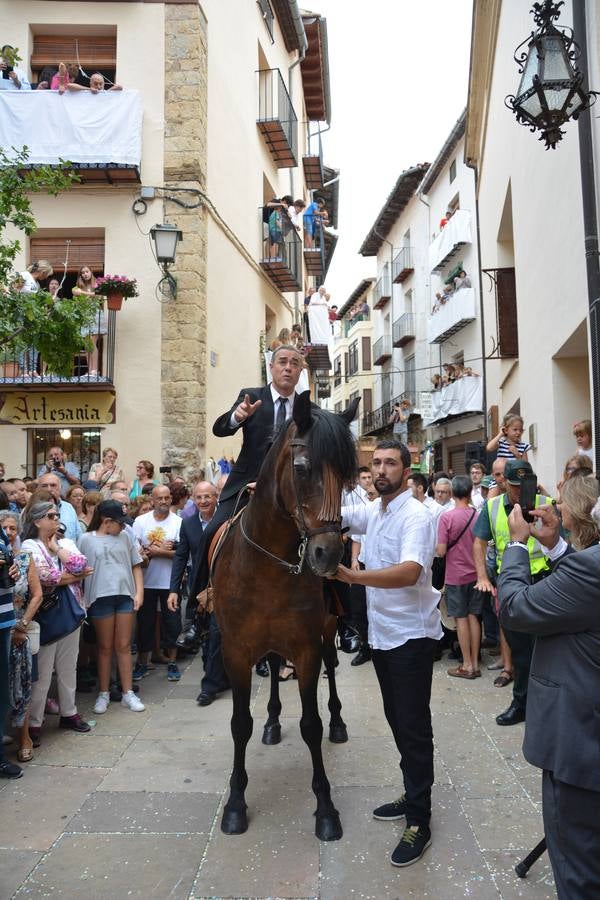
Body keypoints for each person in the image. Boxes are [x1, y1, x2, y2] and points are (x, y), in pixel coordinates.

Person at [336, 440, 441, 867]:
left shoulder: (415, 515)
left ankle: (420, 817)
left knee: (414, 727)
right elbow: (336, 514)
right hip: (383, 637)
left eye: (390, 463)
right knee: (397, 720)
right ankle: (412, 790)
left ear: (406, 469)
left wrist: (352, 577)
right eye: (376, 463)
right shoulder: (375, 510)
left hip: (411, 639)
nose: (381, 469)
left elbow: (410, 571)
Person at [498, 483, 600, 899]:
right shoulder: (586, 568)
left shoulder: (590, 570)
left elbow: (516, 608)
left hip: (581, 744)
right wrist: (557, 546)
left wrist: (518, 547)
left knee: (578, 870)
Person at [191, 344, 306, 706]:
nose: (288, 368)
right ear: (271, 367)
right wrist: (238, 416)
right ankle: (199, 603)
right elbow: (221, 428)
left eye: (295, 363)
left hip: (285, 493)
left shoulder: (305, 407)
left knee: (321, 536)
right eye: (282, 363)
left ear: (301, 370)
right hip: (243, 485)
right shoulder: (251, 396)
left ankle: (337, 613)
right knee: (210, 533)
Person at [473, 460, 553, 725]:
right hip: (511, 586)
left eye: (524, 485)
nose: (520, 491)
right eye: (515, 485)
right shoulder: (493, 506)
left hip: (542, 582)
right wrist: (483, 576)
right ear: (504, 482)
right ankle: (521, 704)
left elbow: (559, 541)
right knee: (519, 651)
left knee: (545, 649)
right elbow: (479, 542)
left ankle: (543, 706)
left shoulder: (545, 502)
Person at [22, 500, 92, 746]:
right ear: (37, 520)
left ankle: (69, 713)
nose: (56, 519)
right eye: (50, 515)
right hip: (46, 617)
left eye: (57, 515)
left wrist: (57, 548)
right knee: (41, 673)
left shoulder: (65, 542)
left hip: (71, 613)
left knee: (67, 667)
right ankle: (34, 723)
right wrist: (76, 575)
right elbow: (45, 576)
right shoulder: (29, 545)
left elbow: (81, 564)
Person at [79, 500, 145, 715]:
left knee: (124, 646)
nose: (124, 526)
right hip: (99, 598)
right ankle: (104, 692)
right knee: (105, 647)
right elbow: (79, 571)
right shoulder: (86, 540)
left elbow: (136, 564)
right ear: (107, 521)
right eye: (120, 522)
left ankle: (127, 693)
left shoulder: (125, 536)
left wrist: (139, 592)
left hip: (125, 595)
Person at [0, 509, 43, 764]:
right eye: (4, 528)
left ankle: (24, 737)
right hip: (5, 624)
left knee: (22, 683)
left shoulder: (24, 558)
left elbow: (37, 594)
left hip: (20, 627)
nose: (8, 532)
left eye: (12, 528)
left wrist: (22, 624)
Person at [132, 485, 182, 683]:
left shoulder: (178, 522)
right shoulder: (140, 521)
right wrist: (150, 552)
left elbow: (181, 553)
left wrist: (159, 552)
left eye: (167, 498)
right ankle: (142, 662)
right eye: (159, 498)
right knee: (145, 624)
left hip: (170, 581)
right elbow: (135, 550)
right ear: (152, 500)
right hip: (145, 581)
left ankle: (172, 662)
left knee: (172, 622)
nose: (163, 501)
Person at [436, 476, 481, 679]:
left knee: (460, 618)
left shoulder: (446, 518)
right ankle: (476, 663)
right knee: (474, 617)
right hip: (477, 574)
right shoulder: (477, 515)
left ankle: (467, 665)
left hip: (456, 575)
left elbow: (442, 551)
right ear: (470, 492)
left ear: (452, 493)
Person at [167, 481, 218, 655]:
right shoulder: (187, 524)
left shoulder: (226, 519)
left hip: (225, 583)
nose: (203, 501)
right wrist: (173, 590)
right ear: (193, 500)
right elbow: (180, 557)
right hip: (199, 585)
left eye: (207, 496)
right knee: (206, 636)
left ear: (216, 497)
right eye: (199, 497)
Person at [0, 490, 23, 777]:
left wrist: (14, 569)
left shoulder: (2, 535)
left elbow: (8, 566)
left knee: (1, 689)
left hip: (3, 618)